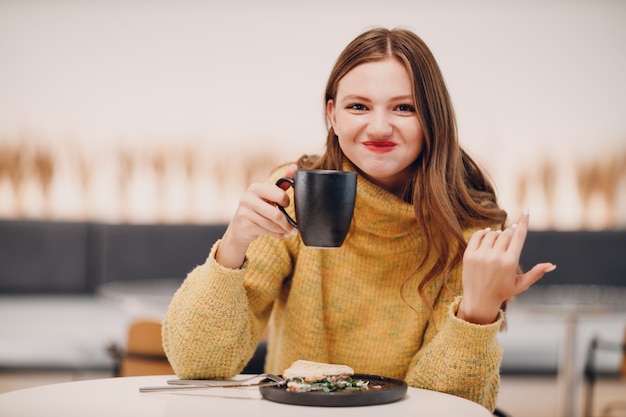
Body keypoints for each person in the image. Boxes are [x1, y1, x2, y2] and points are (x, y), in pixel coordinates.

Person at [162, 27, 555, 411]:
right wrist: (232, 247)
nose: (380, 127)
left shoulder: (465, 230)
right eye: (358, 106)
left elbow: (449, 407)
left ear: (431, 118)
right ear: (333, 115)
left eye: (404, 107)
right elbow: (199, 365)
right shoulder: (294, 196)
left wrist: (478, 311)